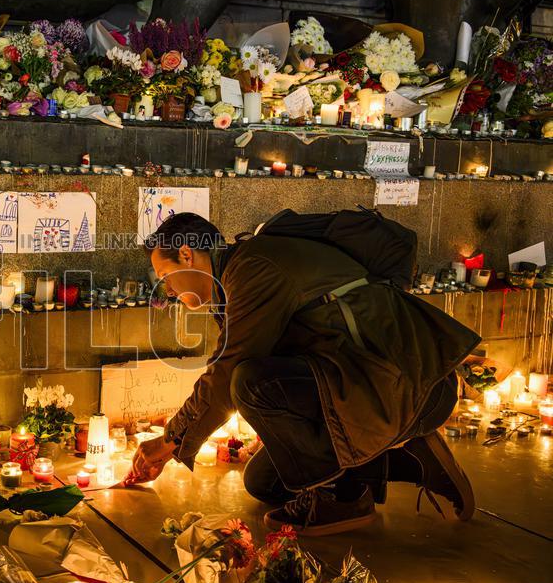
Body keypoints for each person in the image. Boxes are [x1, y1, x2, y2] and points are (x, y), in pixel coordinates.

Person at [125, 212, 481, 536]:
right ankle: (414, 460)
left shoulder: (254, 267)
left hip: (403, 384)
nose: (167, 291)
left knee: (249, 383)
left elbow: (228, 371)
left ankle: (343, 498)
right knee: (265, 482)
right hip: (365, 387)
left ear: (187, 255)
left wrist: (170, 441)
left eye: (166, 276)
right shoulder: (233, 279)